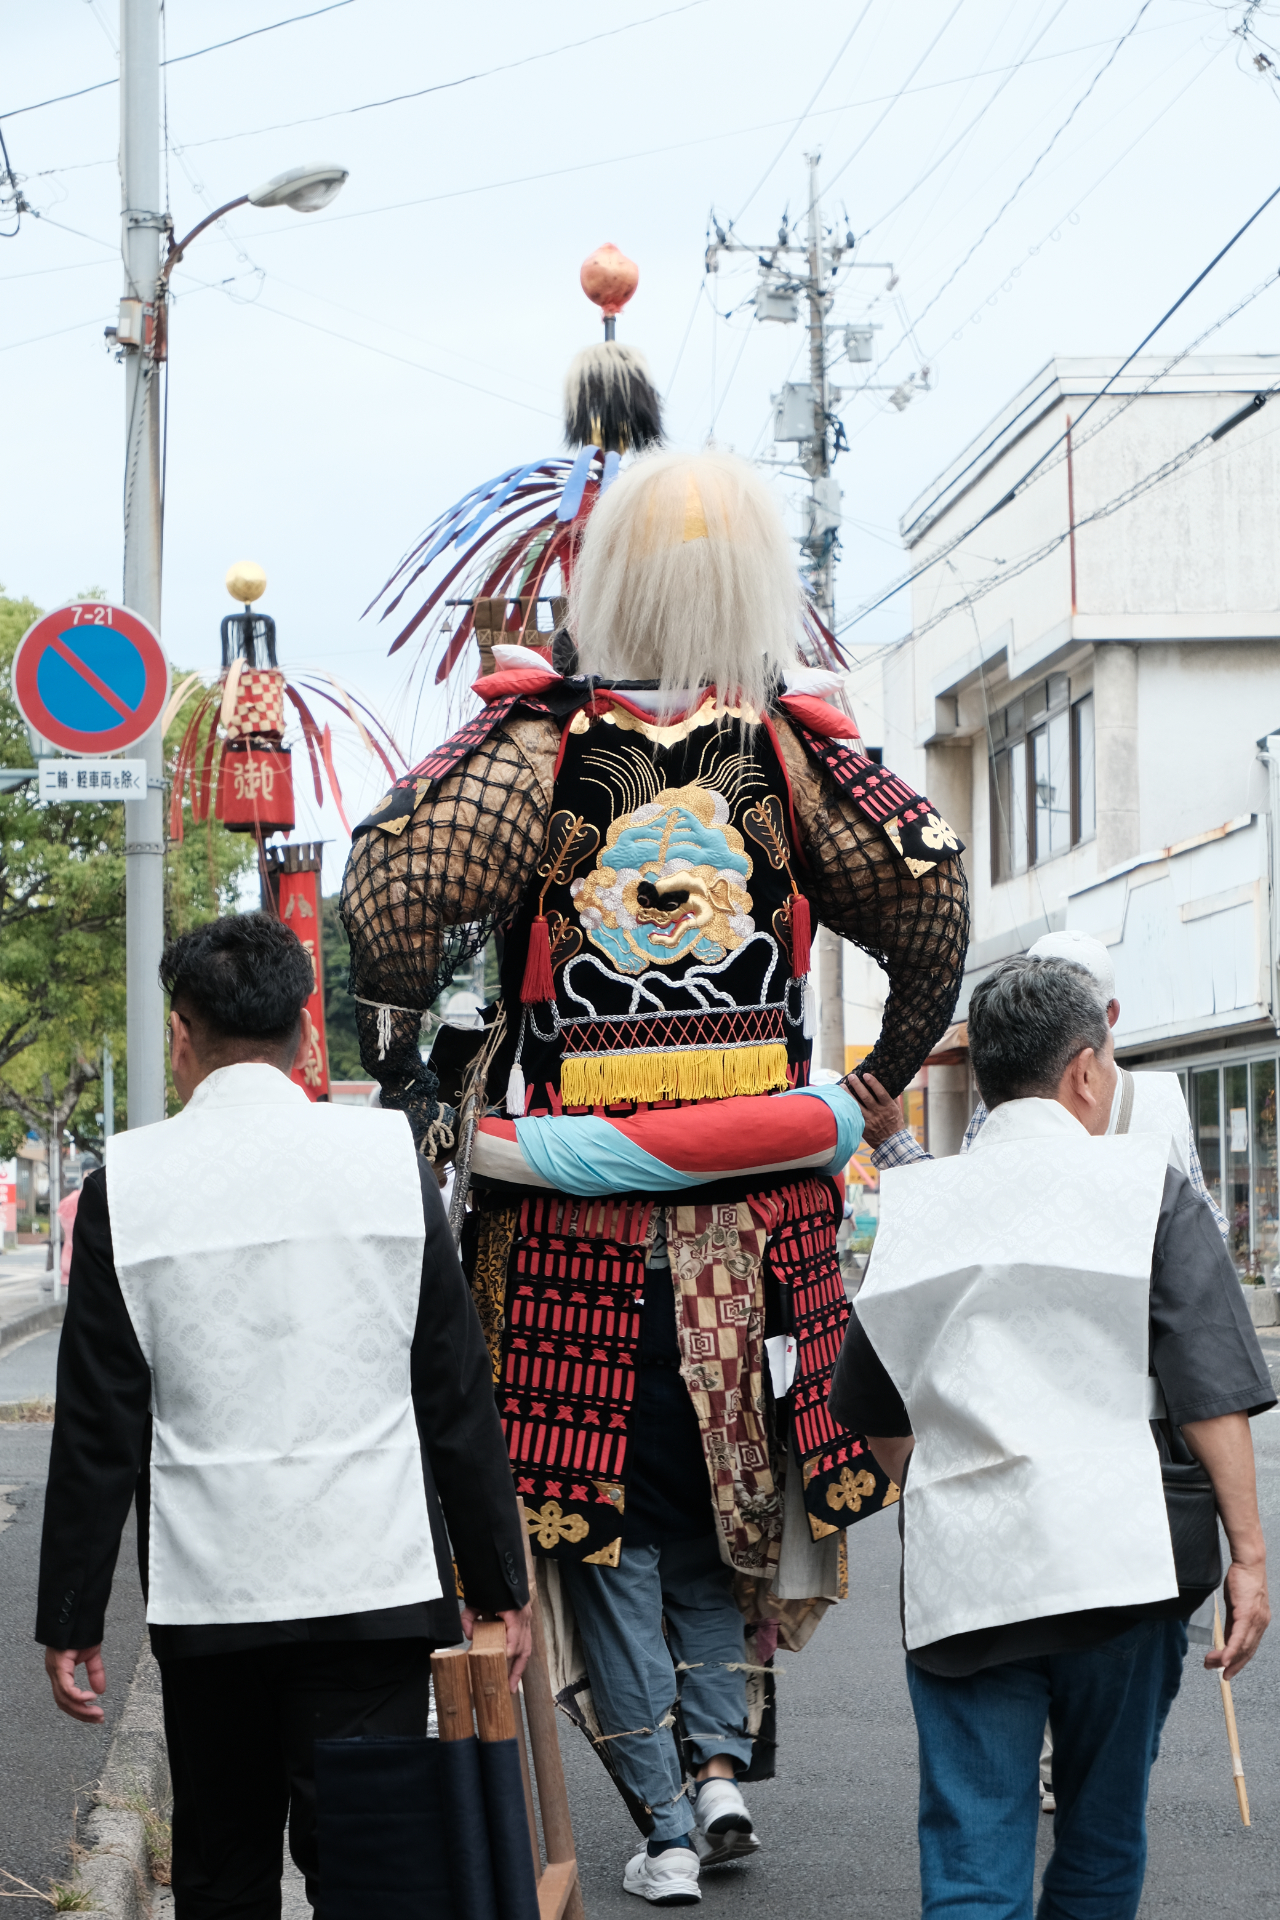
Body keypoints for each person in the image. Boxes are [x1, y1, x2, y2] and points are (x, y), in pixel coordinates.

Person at [339, 447, 970, 1903]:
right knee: (722, 1510)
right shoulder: (794, 745)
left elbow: (388, 896)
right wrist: (870, 1087)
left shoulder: (536, 743)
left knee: (600, 1524)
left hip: (566, 1228)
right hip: (763, 1225)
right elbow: (932, 900)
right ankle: (719, 1764)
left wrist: (423, 1074)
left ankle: (668, 1822)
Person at [37, 914, 532, 1918]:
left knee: (222, 1871)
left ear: (181, 1036)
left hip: (211, 1596)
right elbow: (451, 1386)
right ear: (307, 1031)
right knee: (374, 1873)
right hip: (374, 1581)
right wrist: (498, 1585)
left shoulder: (125, 1190)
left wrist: (71, 1617)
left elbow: (99, 1426)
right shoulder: (386, 1162)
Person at [830, 954, 1273, 1920]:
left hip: (967, 1581)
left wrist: (945, 1478)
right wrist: (1248, 1554)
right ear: (1084, 1069)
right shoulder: (1146, 1191)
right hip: (1125, 1568)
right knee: (1102, 1837)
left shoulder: (918, 1206)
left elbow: (873, 1409)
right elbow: (1208, 1392)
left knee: (973, 1857)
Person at [850, 927, 1229, 1240]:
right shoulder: (1161, 1099)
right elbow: (1211, 1237)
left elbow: (960, 1224)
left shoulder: (1004, 1107)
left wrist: (893, 1144)